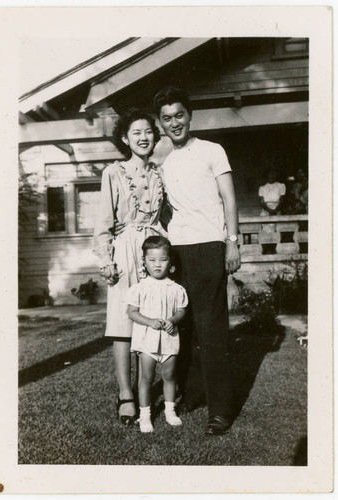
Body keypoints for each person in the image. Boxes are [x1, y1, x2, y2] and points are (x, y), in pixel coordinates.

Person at [153, 86, 241, 435]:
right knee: (183, 326)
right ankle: (189, 395)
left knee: (212, 329)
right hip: (177, 250)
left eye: (179, 115)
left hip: (209, 246)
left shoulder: (212, 151)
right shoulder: (162, 158)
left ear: (190, 116)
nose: (174, 123)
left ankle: (220, 411)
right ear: (160, 123)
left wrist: (232, 242)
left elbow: (230, 199)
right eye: (167, 118)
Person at [93, 108, 166, 426]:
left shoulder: (160, 172)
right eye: (136, 132)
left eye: (148, 131)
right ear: (125, 138)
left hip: (153, 250)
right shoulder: (113, 172)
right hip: (123, 251)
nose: (143, 137)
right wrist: (106, 258)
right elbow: (103, 223)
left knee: (149, 321)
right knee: (123, 325)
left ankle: (144, 390)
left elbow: (165, 218)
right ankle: (126, 395)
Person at [127, 236, 188, 433]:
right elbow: (132, 312)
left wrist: (173, 320)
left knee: (169, 375)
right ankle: (145, 415)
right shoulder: (139, 288)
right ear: (144, 261)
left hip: (169, 339)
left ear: (170, 262)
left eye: (162, 259)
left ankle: (170, 410)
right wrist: (150, 322)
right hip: (147, 340)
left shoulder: (176, 288)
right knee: (146, 377)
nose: (157, 265)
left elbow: (181, 310)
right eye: (152, 260)